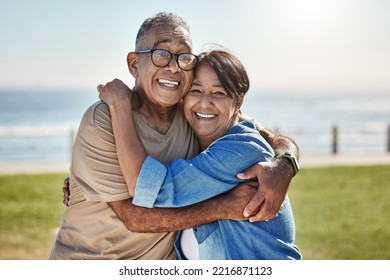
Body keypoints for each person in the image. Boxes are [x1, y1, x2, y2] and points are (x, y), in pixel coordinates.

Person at [52, 12, 299, 260]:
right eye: (161, 54)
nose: (173, 66)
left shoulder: (196, 116)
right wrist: (223, 207)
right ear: (134, 64)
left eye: (184, 57)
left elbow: (266, 139)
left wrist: (284, 165)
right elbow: (134, 217)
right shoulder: (105, 118)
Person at [98, 49, 301, 260]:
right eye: (195, 90)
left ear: (238, 102)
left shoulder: (241, 150)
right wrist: (81, 181)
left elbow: (151, 189)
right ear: (182, 97)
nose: (205, 103)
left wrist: (120, 105)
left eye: (219, 93)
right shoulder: (195, 148)